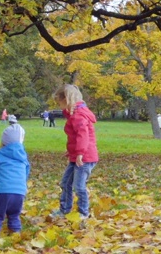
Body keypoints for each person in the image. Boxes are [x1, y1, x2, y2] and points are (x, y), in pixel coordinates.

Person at [50, 84, 98, 221]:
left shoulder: (79, 116)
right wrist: (71, 152)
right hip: (76, 156)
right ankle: (65, 209)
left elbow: (83, 135)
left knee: (79, 185)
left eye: (59, 102)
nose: (59, 106)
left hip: (85, 158)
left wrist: (80, 153)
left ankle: (83, 212)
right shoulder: (74, 115)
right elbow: (75, 137)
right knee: (66, 182)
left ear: (67, 99)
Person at [0, 114, 30, 239]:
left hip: (4, 191)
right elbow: (26, 172)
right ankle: (15, 232)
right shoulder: (23, 156)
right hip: (20, 192)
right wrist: (22, 185)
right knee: (14, 213)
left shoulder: (0, 154)